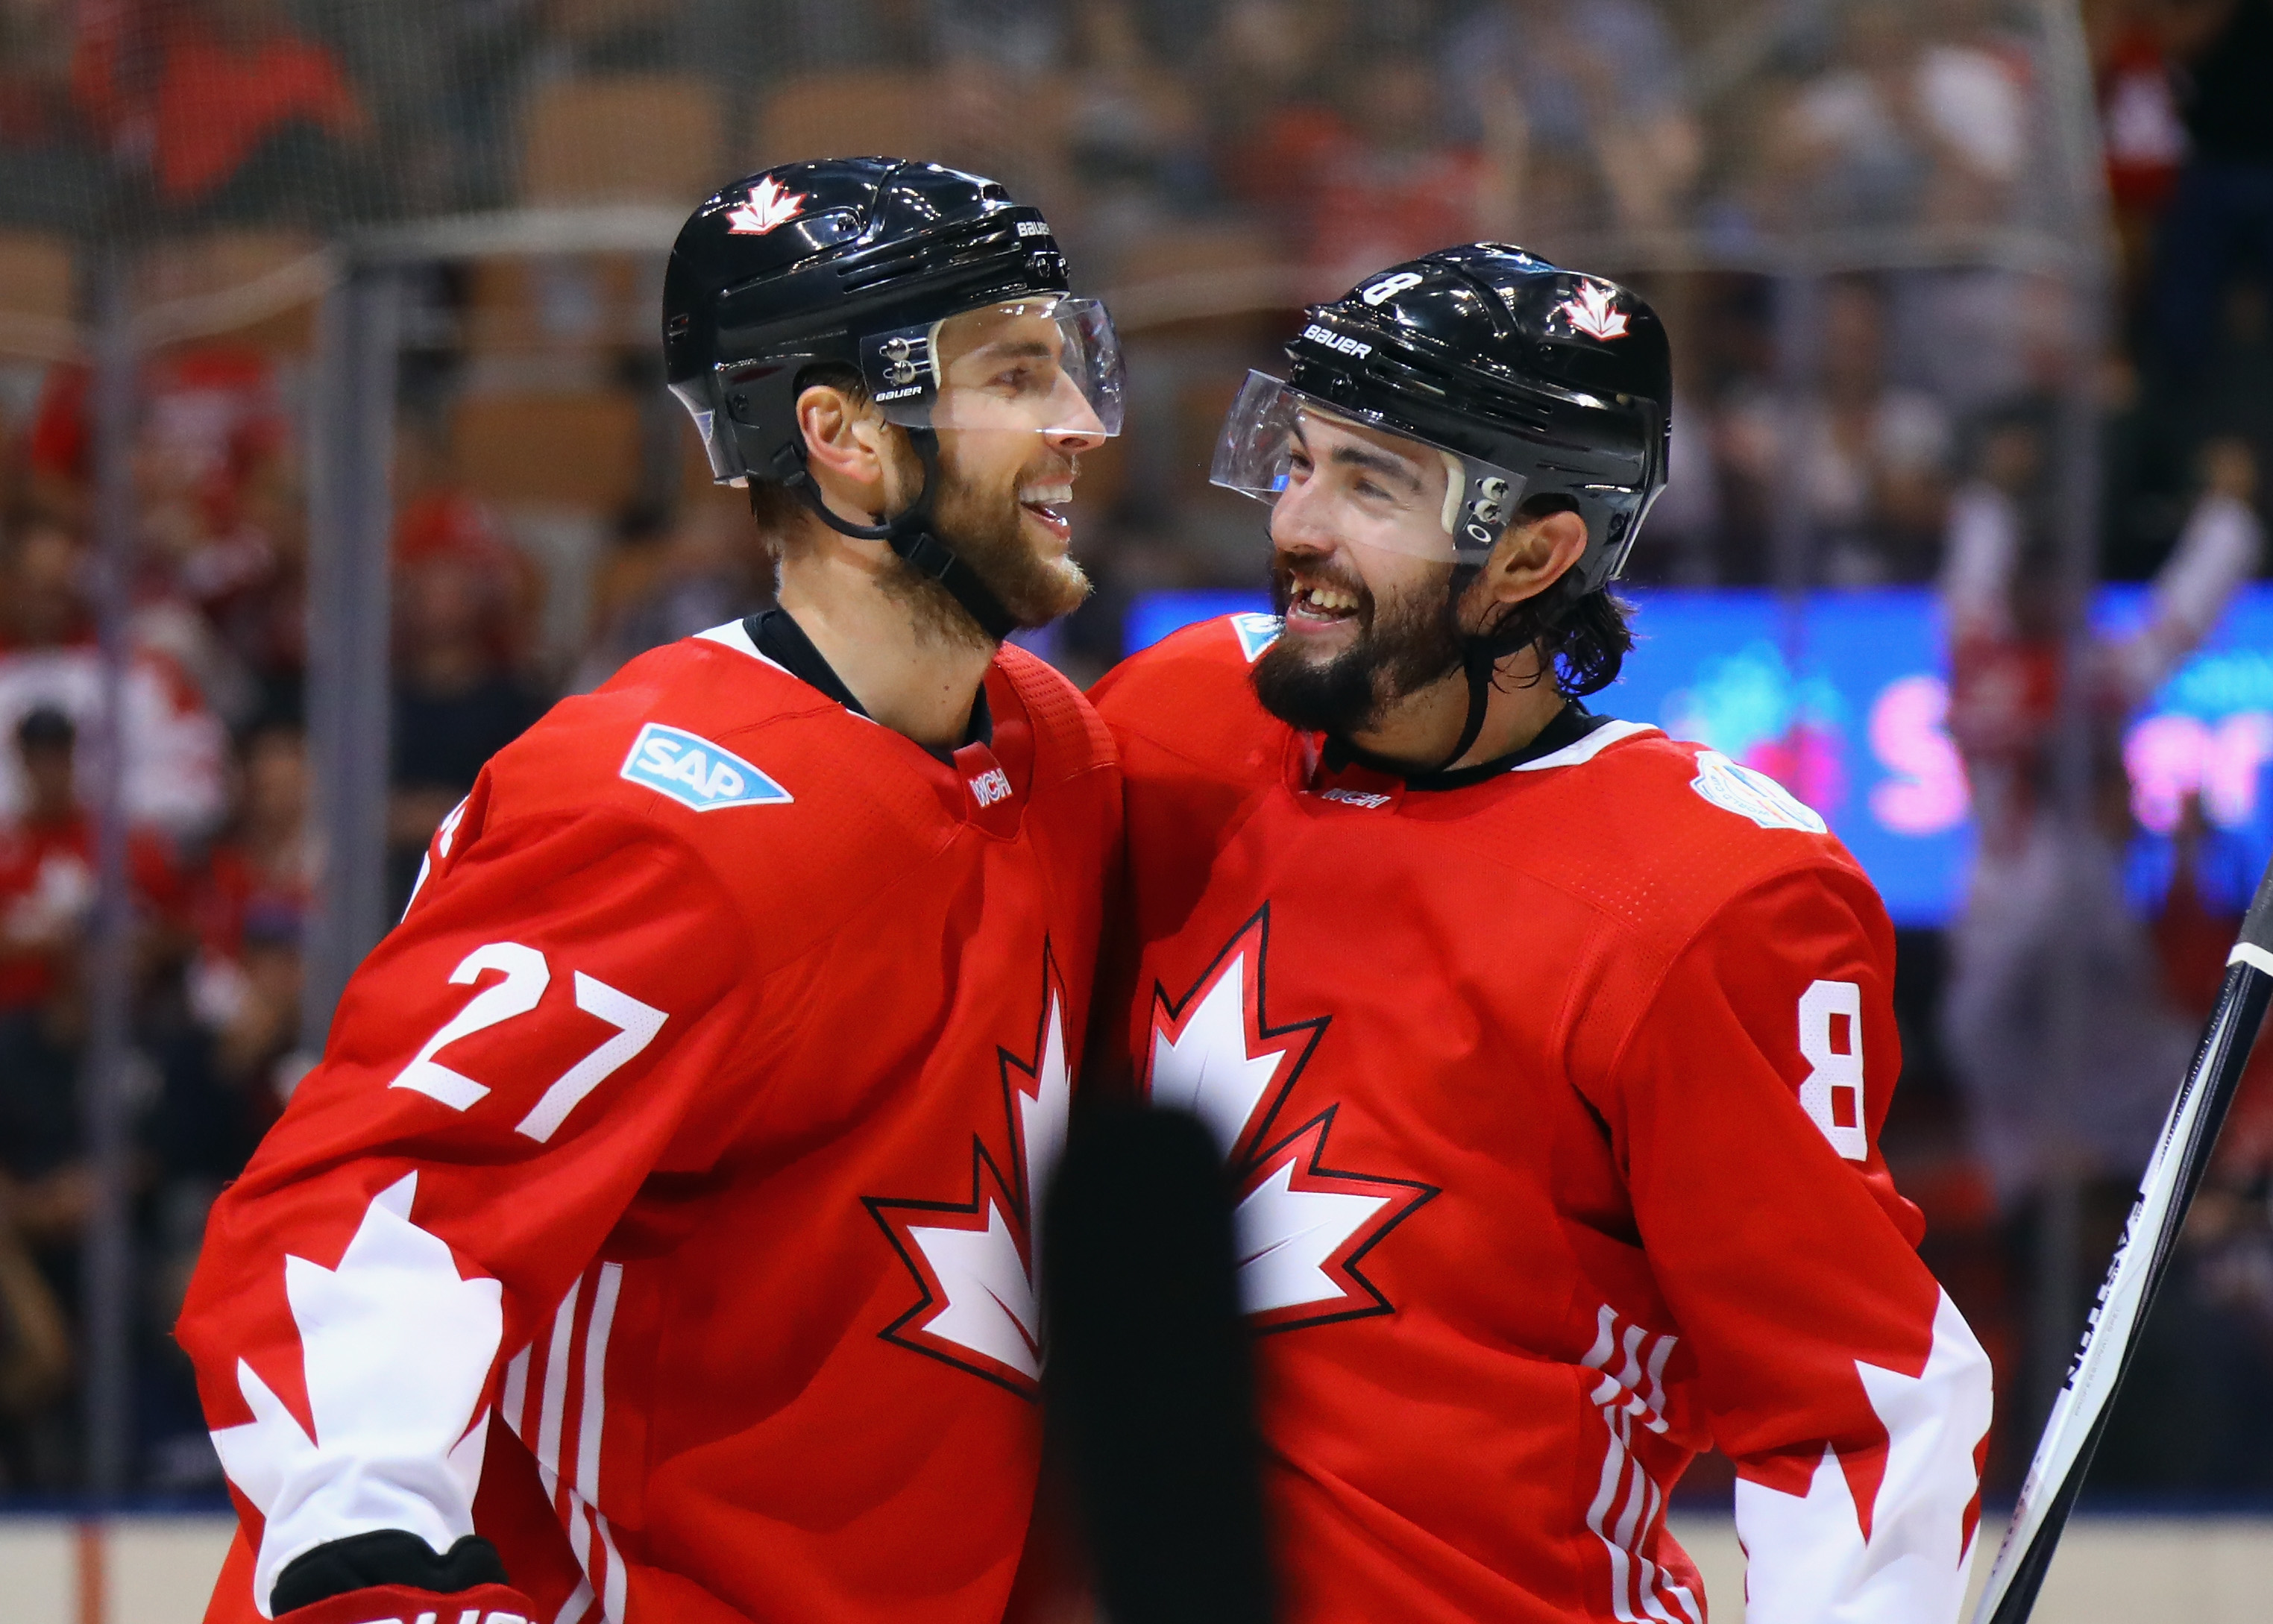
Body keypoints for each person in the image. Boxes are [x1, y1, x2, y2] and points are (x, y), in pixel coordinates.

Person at [178, 159, 1125, 1624]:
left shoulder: (1055, 752)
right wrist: (367, 1552)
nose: (1077, 423)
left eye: (1069, 365)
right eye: (1016, 374)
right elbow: (370, 1201)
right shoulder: (652, 814)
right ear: (845, 438)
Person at [1086, 245, 1993, 1622]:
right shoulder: (1181, 718)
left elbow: (1860, 1405)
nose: (1298, 525)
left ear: (1532, 553)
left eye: (1371, 482)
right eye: (1300, 460)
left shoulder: (1708, 891)